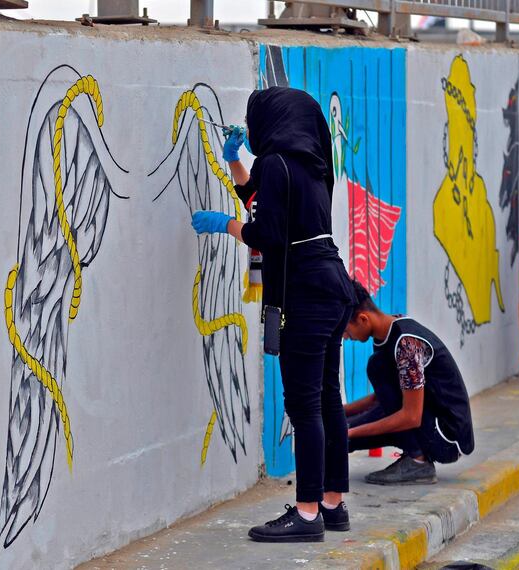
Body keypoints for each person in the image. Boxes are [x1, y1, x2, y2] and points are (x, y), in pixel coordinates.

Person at [191, 87, 356, 542]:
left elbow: (266, 230)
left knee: (304, 406)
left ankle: (305, 515)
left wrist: (223, 225)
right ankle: (332, 505)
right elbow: (264, 201)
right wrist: (234, 161)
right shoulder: (315, 167)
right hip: (332, 284)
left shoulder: (274, 164)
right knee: (327, 397)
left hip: (304, 291)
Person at [343, 281, 475, 485]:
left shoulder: (405, 344)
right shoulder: (389, 332)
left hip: (446, 436)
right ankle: (414, 456)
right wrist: (342, 414)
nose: (345, 337)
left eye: (346, 330)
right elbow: (383, 398)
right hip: (426, 419)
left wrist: (350, 431)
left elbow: (411, 417)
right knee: (339, 435)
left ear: (363, 319)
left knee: (375, 367)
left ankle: (418, 462)